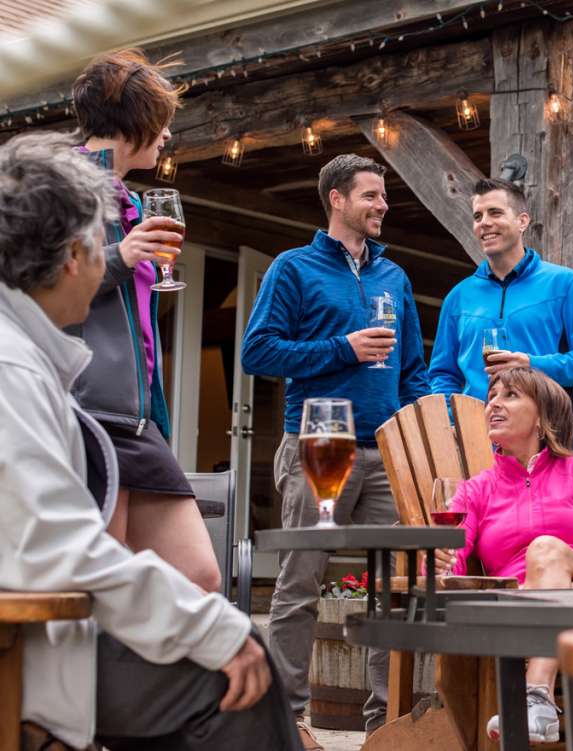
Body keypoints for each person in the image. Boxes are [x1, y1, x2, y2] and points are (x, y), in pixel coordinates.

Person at [0, 132, 301, 751]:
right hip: (21, 650)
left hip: (36, 632)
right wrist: (214, 630)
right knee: (244, 671)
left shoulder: (25, 357)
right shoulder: (13, 369)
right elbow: (62, 548)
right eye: (101, 241)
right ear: (73, 257)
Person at [241, 153, 430, 746]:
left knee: (392, 589)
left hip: (386, 451)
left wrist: (418, 436)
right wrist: (343, 349)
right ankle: (288, 722)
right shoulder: (293, 269)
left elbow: (413, 370)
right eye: (371, 195)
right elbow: (258, 352)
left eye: (383, 195)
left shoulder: (394, 277)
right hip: (318, 445)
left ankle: (384, 725)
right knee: (299, 585)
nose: (382, 205)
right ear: (337, 199)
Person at [69, 49, 221, 592]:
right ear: (135, 121)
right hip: (89, 414)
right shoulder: (63, 187)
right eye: (162, 122)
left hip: (136, 422)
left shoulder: (129, 200)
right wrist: (121, 257)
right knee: (104, 586)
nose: (168, 136)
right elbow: (37, 284)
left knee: (199, 575)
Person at [435, 367, 573, 743]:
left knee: (547, 550)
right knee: (570, 589)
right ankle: (539, 703)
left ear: (542, 416)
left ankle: (534, 692)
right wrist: (439, 561)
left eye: (510, 395)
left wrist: (553, 566)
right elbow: (451, 560)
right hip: (525, 603)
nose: (494, 404)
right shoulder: (475, 490)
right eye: (492, 396)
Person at [428, 178, 573, 401]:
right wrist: (452, 418)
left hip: (544, 421)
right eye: (478, 216)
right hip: (475, 423)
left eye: (495, 213)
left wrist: (531, 364)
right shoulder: (457, 297)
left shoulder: (566, 283)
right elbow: (442, 375)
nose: (484, 223)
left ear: (522, 221)